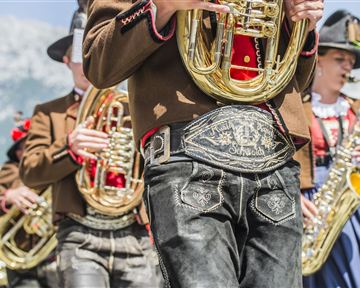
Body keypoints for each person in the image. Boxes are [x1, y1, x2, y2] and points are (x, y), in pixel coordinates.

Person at [83, 0, 324, 287]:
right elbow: (100, 64)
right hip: (188, 155)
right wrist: (163, 5)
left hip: (274, 155)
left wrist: (302, 24)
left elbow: (297, 81)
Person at [19, 6, 160, 288]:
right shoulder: (49, 113)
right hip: (79, 234)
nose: (86, 60)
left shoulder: (136, 106)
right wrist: (68, 148)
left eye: (92, 50)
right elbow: (30, 172)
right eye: (79, 53)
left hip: (133, 233)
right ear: (66, 60)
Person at [295, 10, 360, 288]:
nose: (347, 67)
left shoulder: (353, 109)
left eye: (351, 62)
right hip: (308, 202)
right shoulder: (297, 107)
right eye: (339, 59)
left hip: (348, 201)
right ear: (317, 59)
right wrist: (291, 196)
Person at [0, 118, 58, 288]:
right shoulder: (9, 170)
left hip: (55, 255)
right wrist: (9, 196)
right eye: (30, 144)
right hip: (22, 261)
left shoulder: (54, 168)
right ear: (18, 153)